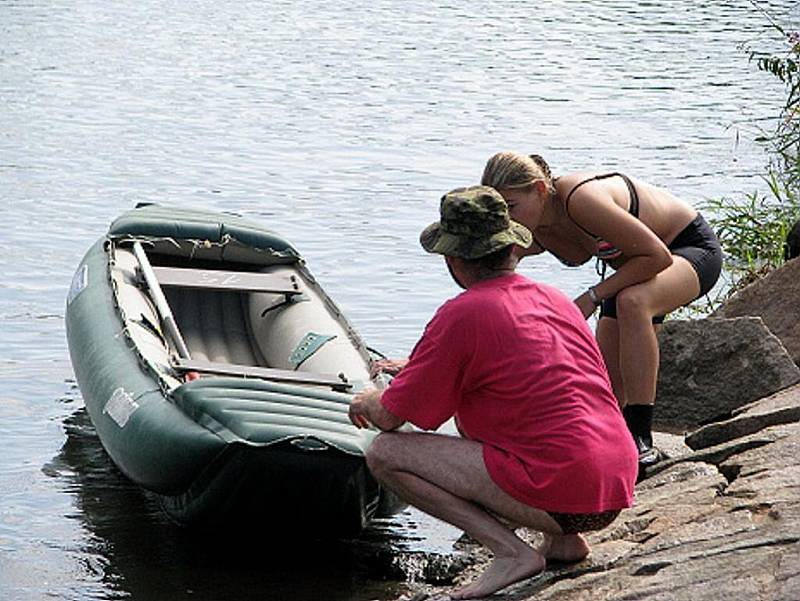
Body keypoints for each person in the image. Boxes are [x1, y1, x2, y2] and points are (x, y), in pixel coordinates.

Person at [349, 186, 638, 600]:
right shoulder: (555, 300)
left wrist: (366, 401)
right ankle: (564, 542)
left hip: (563, 488)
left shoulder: (462, 312)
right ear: (512, 251)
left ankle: (510, 553)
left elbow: (392, 417)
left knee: (385, 454)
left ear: (453, 260)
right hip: (614, 482)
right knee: (513, 413)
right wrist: (415, 369)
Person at [480, 152, 723, 476]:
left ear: (539, 190)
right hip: (633, 271)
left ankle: (641, 440)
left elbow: (657, 256)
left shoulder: (580, 199)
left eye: (510, 206)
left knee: (633, 301)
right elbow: (491, 278)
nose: (507, 219)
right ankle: (611, 443)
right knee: (606, 391)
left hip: (685, 249)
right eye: (500, 208)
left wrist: (592, 297)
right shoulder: (531, 225)